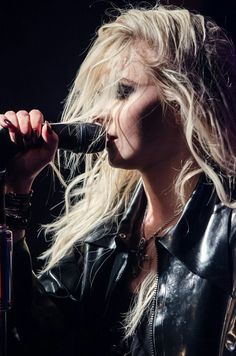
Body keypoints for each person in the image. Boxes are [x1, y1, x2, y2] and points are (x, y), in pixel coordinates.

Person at [0, 4, 236, 356]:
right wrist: (15, 194)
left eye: (124, 91)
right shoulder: (104, 237)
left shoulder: (228, 236)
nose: (98, 113)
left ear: (185, 99)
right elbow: (39, 338)